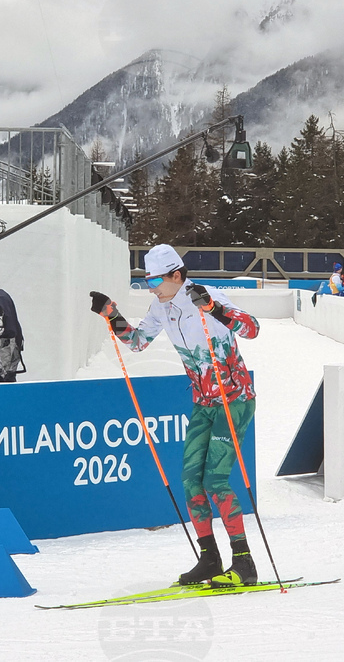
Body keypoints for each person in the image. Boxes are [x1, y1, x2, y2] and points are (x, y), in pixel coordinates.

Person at [89, 244, 260, 587]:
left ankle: (244, 564)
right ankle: (209, 558)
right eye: (146, 280)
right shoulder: (160, 306)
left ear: (176, 275)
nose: (151, 287)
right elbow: (138, 341)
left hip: (234, 399)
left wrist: (213, 309)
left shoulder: (208, 296)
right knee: (190, 481)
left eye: (155, 281)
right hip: (203, 402)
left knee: (216, 480)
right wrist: (112, 314)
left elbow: (252, 328)